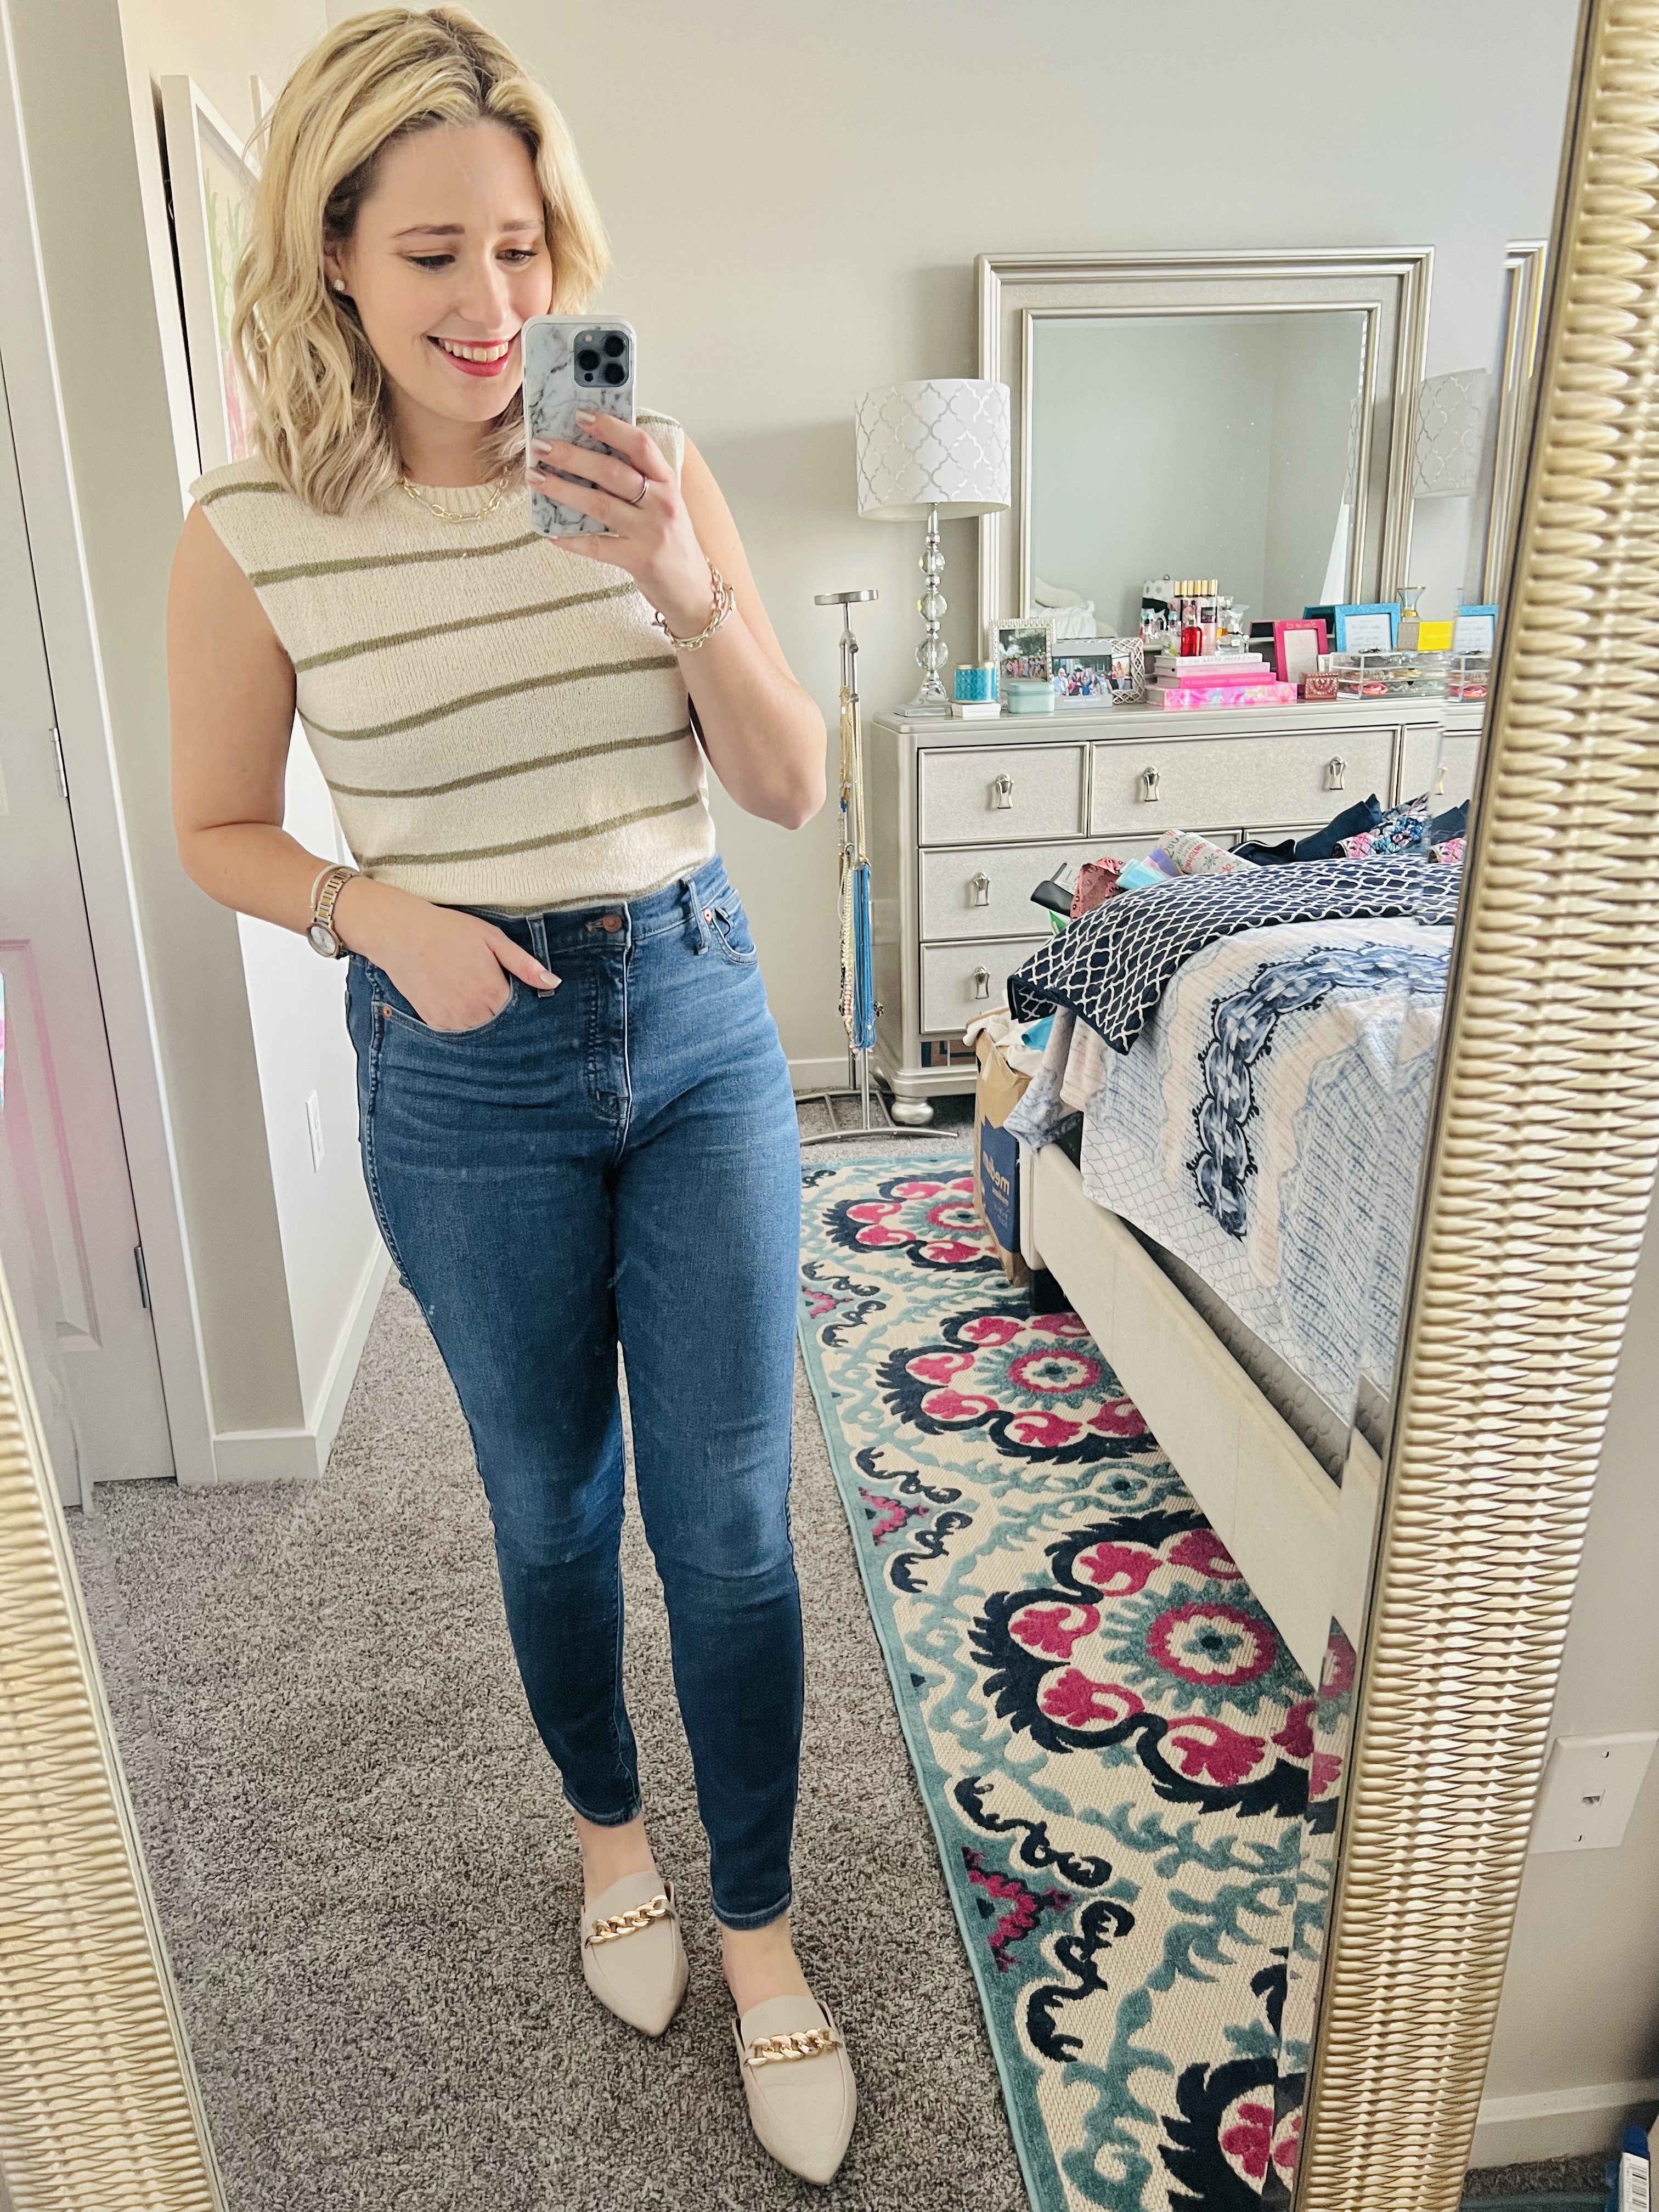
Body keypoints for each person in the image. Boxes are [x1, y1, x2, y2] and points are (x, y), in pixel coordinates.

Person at [166, 7, 855, 2184]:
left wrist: (677, 581)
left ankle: (759, 1931)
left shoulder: (650, 471)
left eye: (525, 247)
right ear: (335, 255)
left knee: (729, 1524)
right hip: (463, 1062)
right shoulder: (256, 526)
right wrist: (371, 913)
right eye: (435, 252)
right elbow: (216, 827)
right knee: (549, 1503)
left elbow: (786, 782)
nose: (493, 303)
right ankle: (608, 1839)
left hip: (700, 1018)